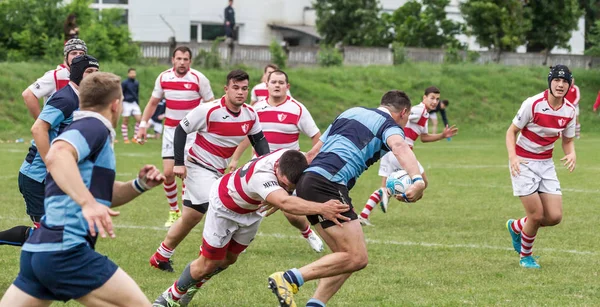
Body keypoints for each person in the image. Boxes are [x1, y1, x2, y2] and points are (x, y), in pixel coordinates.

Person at [0, 72, 166, 307]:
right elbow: (57, 155)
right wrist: (87, 203)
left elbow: (102, 195)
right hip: (65, 252)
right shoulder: (94, 127)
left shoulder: (83, 128)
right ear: (116, 105)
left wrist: (139, 185)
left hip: (39, 252)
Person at [268, 90, 427, 307]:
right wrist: (417, 180)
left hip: (310, 181)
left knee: (343, 258)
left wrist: (287, 188)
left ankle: (315, 304)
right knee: (357, 257)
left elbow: (312, 154)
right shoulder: (389, 125)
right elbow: (400, 146)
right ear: (404, 112)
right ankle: (288, 279)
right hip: (329, 184)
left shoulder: (351, 112)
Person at [153, 149, 349, 307]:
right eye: (283, 184)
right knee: (208, 263)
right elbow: (286, 203)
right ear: (277, 168)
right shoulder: (262, 175)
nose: (286, 188)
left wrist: (284, 193)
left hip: (252, 212)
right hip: (225, 207)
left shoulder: (295, 158)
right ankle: (169, 297)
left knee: (229, 259)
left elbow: (312, 157)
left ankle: (195, 285)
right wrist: (322, 208)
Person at [148, 69, 272, 273]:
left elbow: (259, 141)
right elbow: (181, 129)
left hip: (217, 171)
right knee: (219, 202)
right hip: (197, 167)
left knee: (191, 217)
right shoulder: (209, 109)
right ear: (226, 89)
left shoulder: (250, 114)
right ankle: (207, 257)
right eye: (236, 88)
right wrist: (178, 162)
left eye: (244, 89)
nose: (240, 92)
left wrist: (266, 164)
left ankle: (161, 256)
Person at [0, 55, 100, 247]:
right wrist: (50, 164)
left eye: (97, 72)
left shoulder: (82, 100)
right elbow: (38, 128)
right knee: (48, 235)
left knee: (61, 232)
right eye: (89, 72)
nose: (94, 77)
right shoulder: (65, 98)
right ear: (77, 73)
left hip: (57, 176)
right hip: (37, 177)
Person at [230, 69, 324, 252]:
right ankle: (236, 243)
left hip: (288, 170)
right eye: (274, 82)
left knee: (290, 212)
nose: (277, 86)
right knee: (244, 203)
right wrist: (235, 159)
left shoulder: (297, 108)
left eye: (281, 83)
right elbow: (247, 137)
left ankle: (307, 232)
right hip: (260, 168)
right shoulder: (256, 108)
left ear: (287, 87)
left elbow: (316, 136)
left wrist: (314, 160)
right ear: (266, 85)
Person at [505, 65, 577, 269]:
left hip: (546, 164)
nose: (560, 85)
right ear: (550, 82)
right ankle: (525, 256)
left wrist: (571, 153)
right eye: (556, 80)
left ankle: (516, 226)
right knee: (536, 215)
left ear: (569, 85)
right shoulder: (533, 103)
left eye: (564, 82)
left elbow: (568, 140)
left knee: (554, 217)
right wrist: (513, 157)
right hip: (524, 162)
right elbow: (511, 132)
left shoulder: (569, 111)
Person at [136, 46, 215, 228]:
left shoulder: (199, 79)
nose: (182, 62)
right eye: (179, 59)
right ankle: (173, 211)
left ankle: (187, 213)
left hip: (192, 133)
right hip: (171, 131)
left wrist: (210, 130)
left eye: (185, 59)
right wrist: (142, 125)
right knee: (169, 173)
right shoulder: (163, 77)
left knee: (188, 174)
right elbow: (153, 102)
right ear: (173, 60)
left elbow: (211, 105)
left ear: (190, 61)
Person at [358, 151, 428, 227]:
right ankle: (400, 193)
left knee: (385, 188)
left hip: (388, 151)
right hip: (401, 153)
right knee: (423, 182)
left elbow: (423, 139)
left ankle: (363, 216)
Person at [22, 38, 87, 120]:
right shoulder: (55, 75)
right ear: (66, 56)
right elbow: (28, 94)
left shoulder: (86, 77)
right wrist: (42, 125)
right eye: (73, 53)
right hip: (59, 131)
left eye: (81, 53)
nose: (78, 56)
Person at [120, 68, 141, 143]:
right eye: (131, 73)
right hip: (126, 102)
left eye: (134, 73)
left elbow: (137, 93)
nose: (133, 74)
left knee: (139, 120)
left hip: (134, 102)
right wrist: (121, 104)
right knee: (125, 120)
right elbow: (121, 93)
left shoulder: (136, 83)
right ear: (128, 74)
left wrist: (137, 102)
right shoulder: (125, 83)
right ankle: (125, 139)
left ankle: (135, 137)